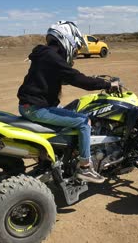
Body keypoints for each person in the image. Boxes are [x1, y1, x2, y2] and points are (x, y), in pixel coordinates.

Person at [17, 21, 118, 184]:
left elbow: (64, 77)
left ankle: (62, 156)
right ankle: (85, 167)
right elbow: (77, 79)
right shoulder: (53, 57)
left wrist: (90, 78)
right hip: (37, 108)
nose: (76, 50)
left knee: (64, 112)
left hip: (27, 106)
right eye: (75, 45)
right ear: (67, 39)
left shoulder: (43, 55)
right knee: (84, 122)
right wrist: (107, 84)